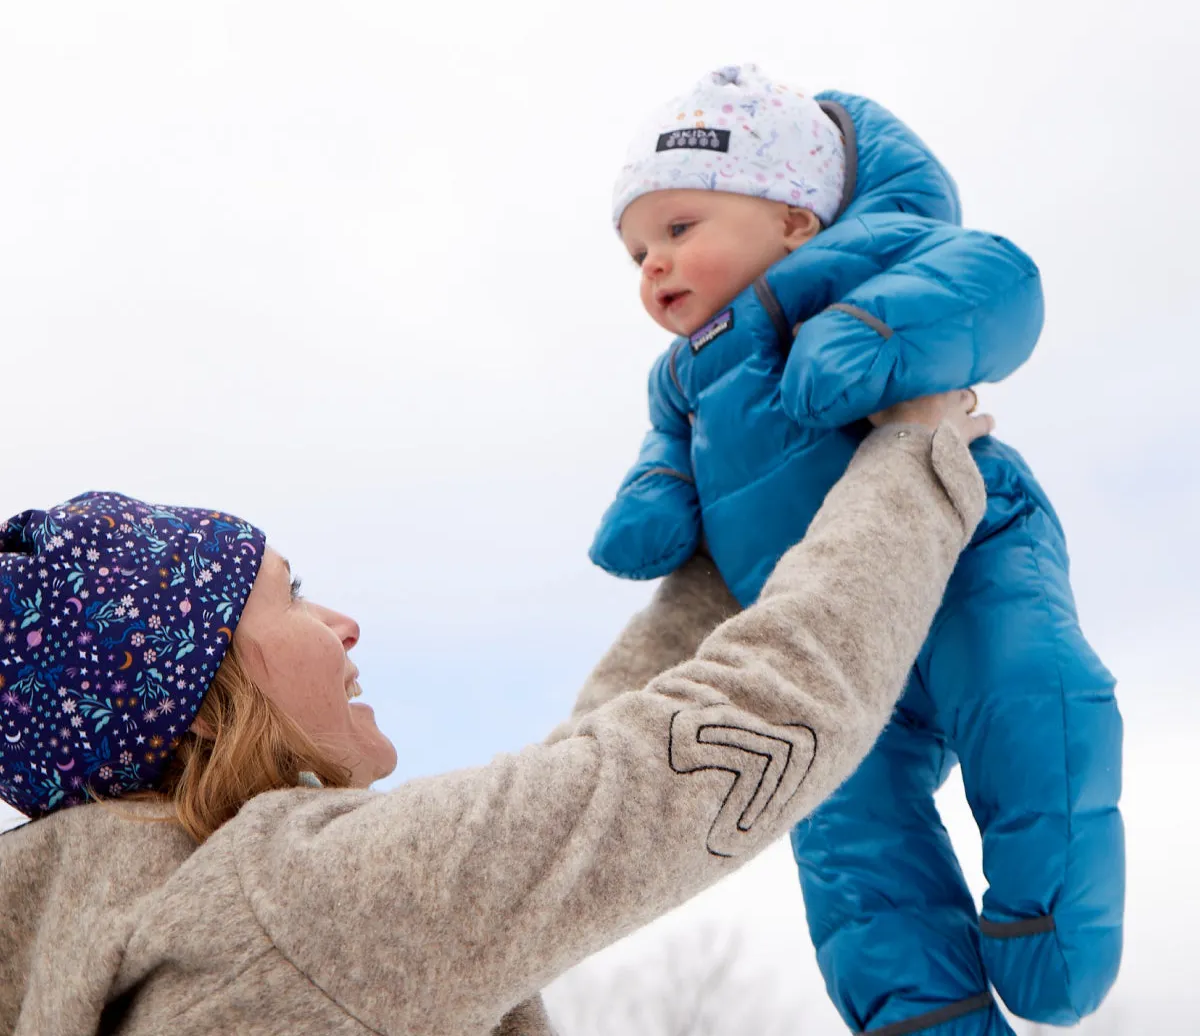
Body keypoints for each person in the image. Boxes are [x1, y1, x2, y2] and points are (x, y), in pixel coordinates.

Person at [0, 394, 988, 1036]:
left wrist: (732, 552)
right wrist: (914, 458)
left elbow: (590, 775)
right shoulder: (295, 906)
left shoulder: (114, 925)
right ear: (201, 700)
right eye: (292, 596)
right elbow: (711, 746)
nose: (343, 623)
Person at [592, 65, 1124, 1035]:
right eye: (634, 253)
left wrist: (868, 332)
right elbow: (665, 461)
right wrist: (653, 502)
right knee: (842, 828)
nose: (652, 269)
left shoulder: (863, 259)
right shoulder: (680, 380)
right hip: (829, 631)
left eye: (678, 230)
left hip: (968, 548)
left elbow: (996, 281)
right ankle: (929, 1017)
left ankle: (1051, 917)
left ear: (794, 220)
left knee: (1026, 691)